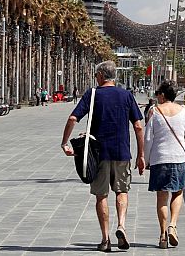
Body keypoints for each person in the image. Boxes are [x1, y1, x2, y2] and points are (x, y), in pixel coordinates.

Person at [61, 61, 145, 252]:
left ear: (100, 75)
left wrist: (64, 143)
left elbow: (73, 118)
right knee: (122, 192)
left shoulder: (93, 94)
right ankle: (122, 225)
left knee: (101, 196)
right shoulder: (126, 95)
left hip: (98, 154)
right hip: (122, 152)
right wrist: (141, 155)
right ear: (113, 76)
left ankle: (105, 239)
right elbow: (138, 126)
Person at [144, 81, 185, 249]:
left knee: (161, 197)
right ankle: (173, 226)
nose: (156, 96)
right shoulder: (184, 111)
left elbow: (148, 139)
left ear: (163, 95)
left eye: (158, 93)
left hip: (159, 158)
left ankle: (162, 236)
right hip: (179, 158)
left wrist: (147, 159)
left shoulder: (155, 111)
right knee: (178, 192)